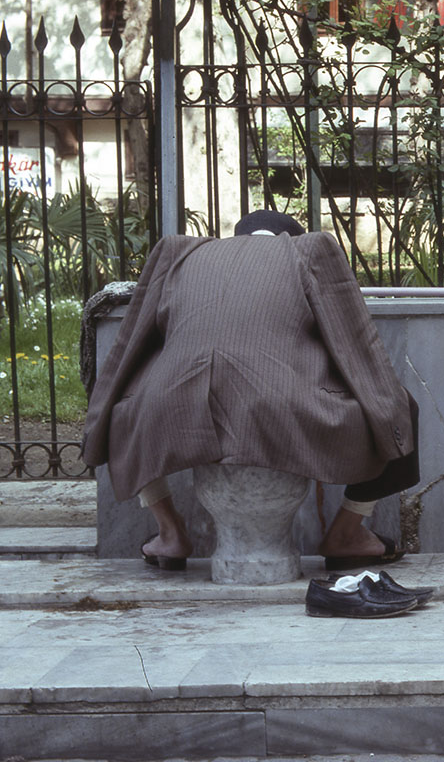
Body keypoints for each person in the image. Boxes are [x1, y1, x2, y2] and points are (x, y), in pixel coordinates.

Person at [82, 210, 419, 571]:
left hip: (176, 405)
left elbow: (133, 340)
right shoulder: (310, 250)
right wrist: (385, 406)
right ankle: (347, 532)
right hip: (277, 405)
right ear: (291, 236)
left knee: (127, 411)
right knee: (400, 407)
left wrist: (107, 412)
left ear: (236, 236)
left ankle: (170, 532)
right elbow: (352, 340)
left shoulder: (177, 252)